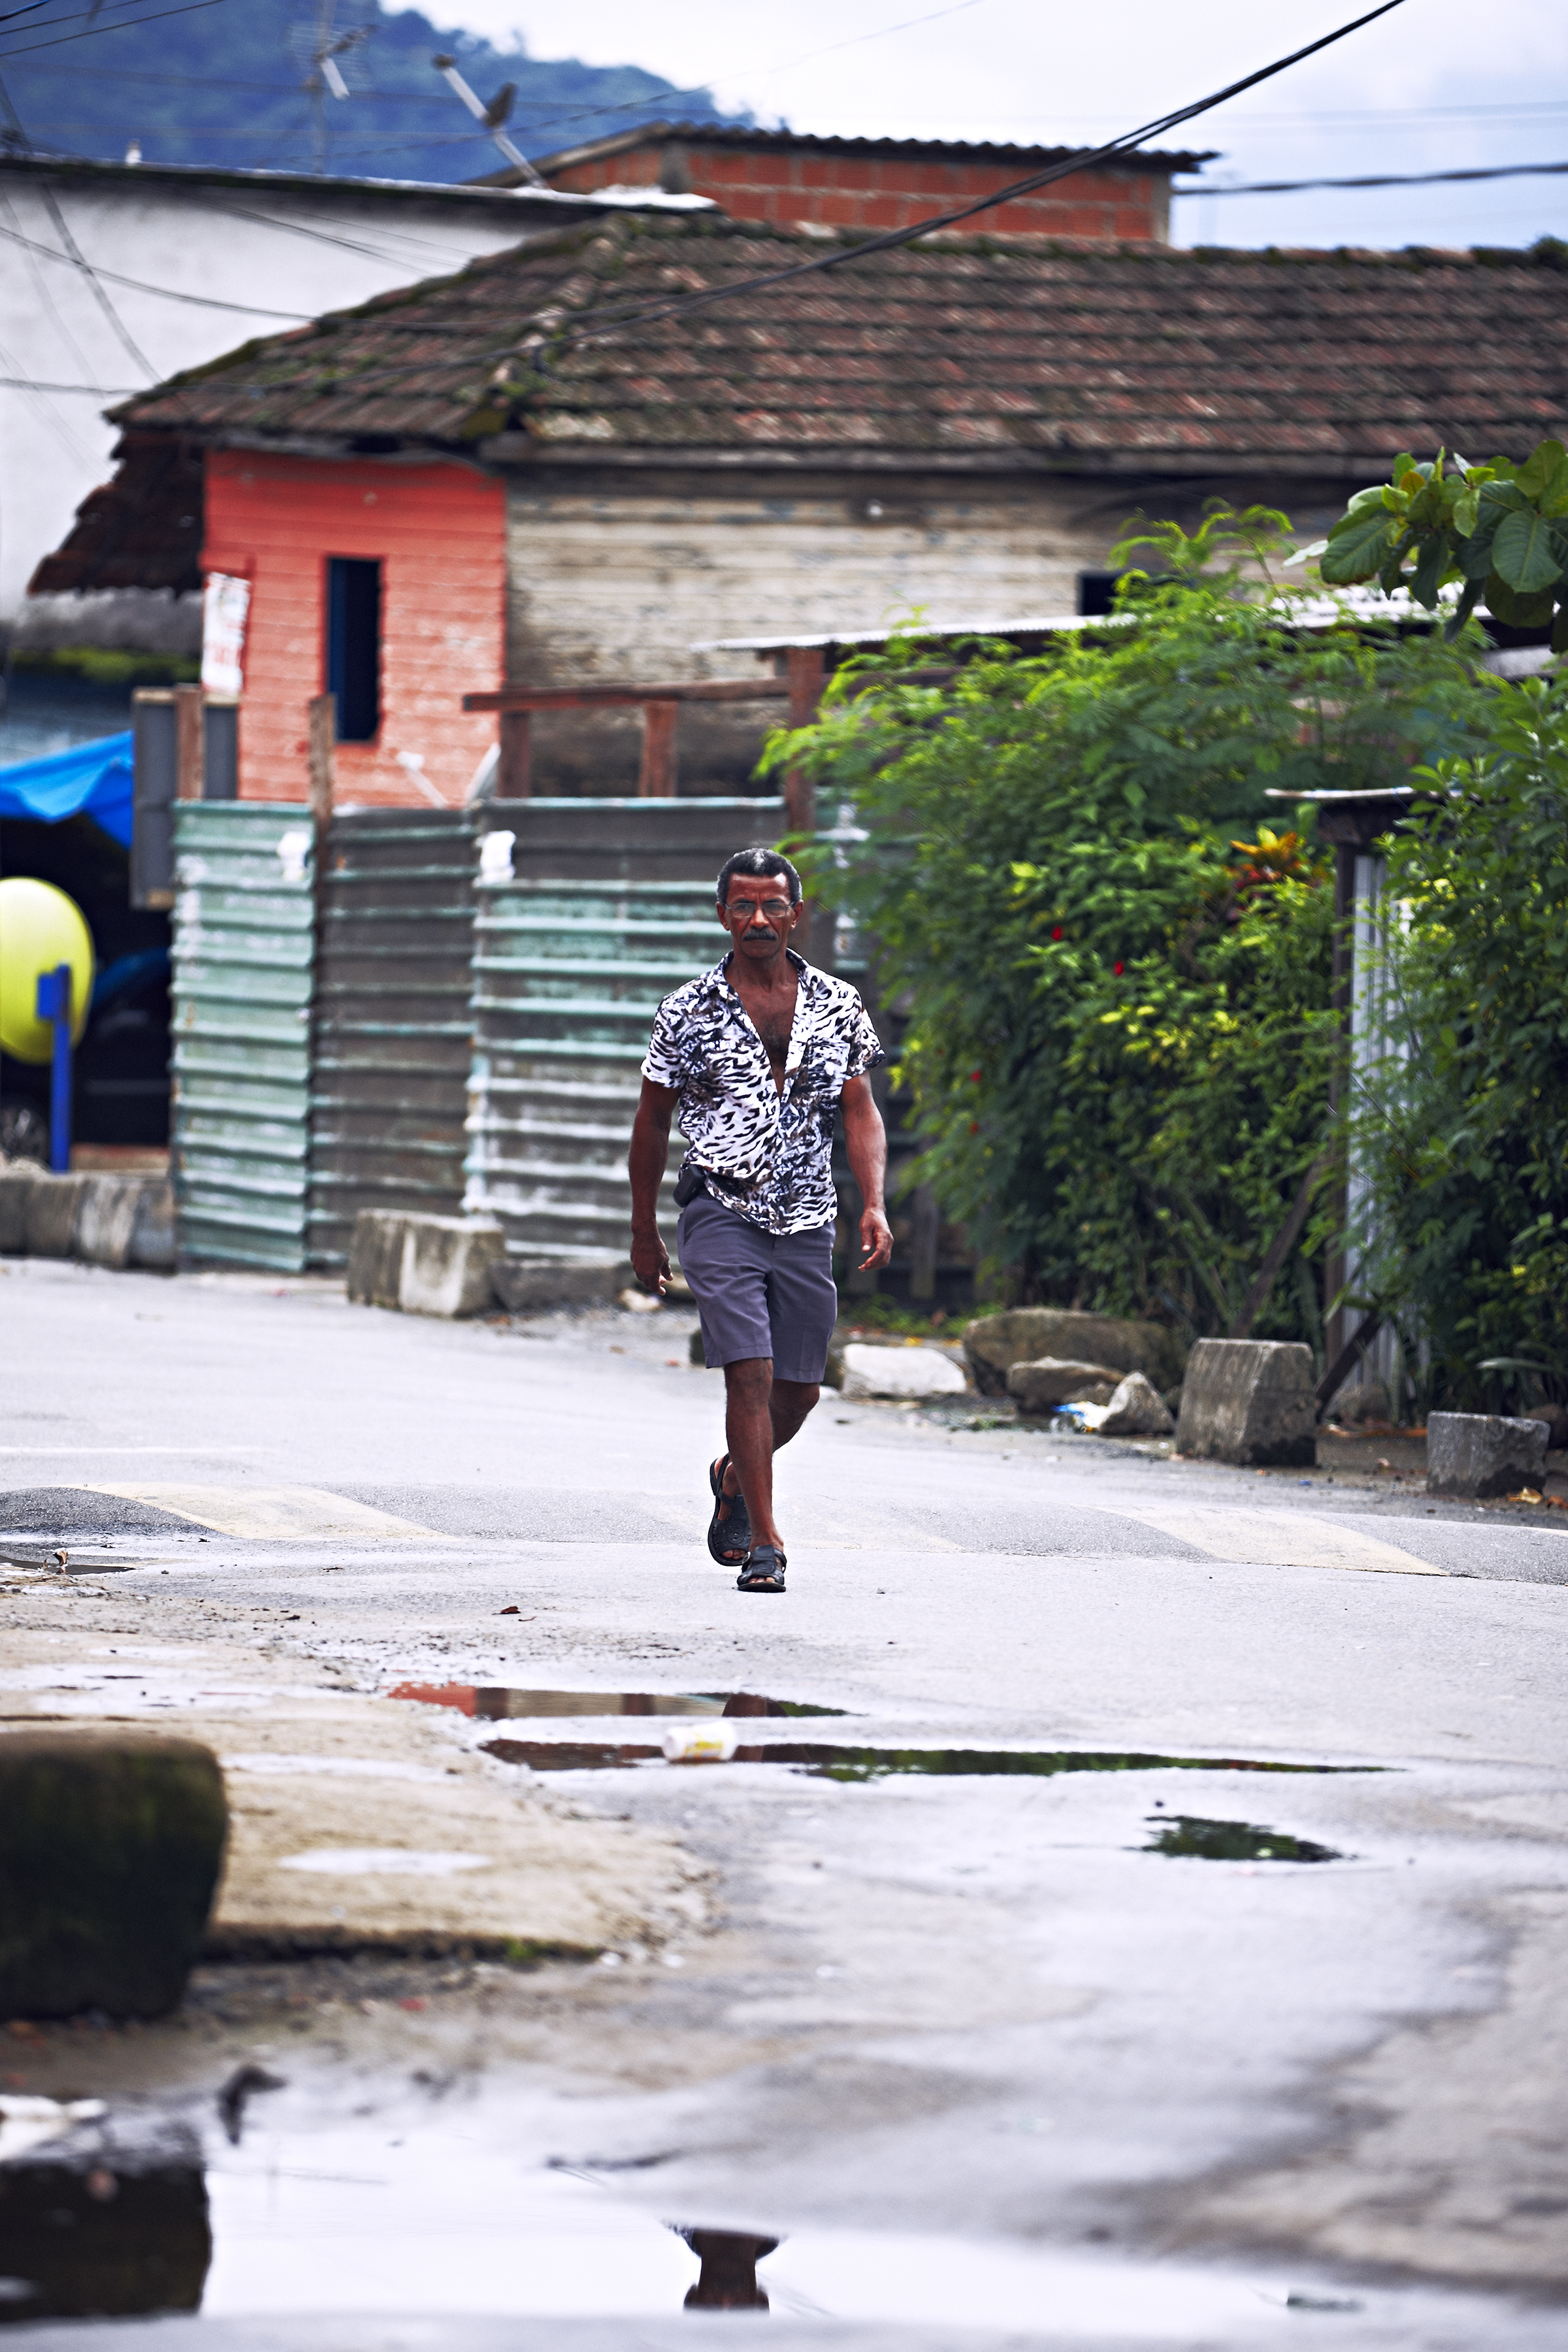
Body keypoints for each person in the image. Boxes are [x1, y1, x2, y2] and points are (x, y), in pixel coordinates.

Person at [628, 845, 892, 1594]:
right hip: (720, 1207)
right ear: (722, 916)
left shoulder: (839, 1003)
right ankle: (767, 1545)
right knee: (750, 1371)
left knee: (800, 1390)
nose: (757, 919)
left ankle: (733, 1479)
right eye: (742, 906)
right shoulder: (687, 1010)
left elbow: (860, 1108)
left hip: (808, 1214)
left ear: (795, 914)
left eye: (772, 905)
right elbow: (651, 1125)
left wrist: (873, 1201)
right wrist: (644, 1230)